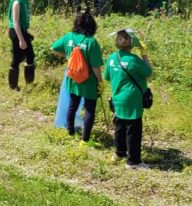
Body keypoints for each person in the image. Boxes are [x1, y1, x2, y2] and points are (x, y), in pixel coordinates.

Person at [51, 11, 104, 144]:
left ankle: (70, 132)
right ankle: (85, 140)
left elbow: (53, 48)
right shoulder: (91, 42)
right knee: (90, 109)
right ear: (92, 26)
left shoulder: (69, 37)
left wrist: (68, 56)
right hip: (89, 82)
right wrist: (100, 81)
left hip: (72, 78)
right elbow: (95, 66)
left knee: (72, 105)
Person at [104, 30, 153, 169]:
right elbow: (149, 73)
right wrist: (144, 54)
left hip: (117, 98)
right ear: (132, 44)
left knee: (120, 126)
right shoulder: (134, 60)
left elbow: (107, 77)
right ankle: (133, 161)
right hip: (132, 100)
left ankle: (119, 153)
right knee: (133, 130)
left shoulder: (112, 58)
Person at [7, 0, 34, 91]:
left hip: (22, 31)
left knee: (30, 56)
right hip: (16, 32)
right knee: (17, 59)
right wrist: (21, 40)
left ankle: (29, 83)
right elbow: (16, 22)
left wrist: (26, 34)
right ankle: (13, 87)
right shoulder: (16, 2)